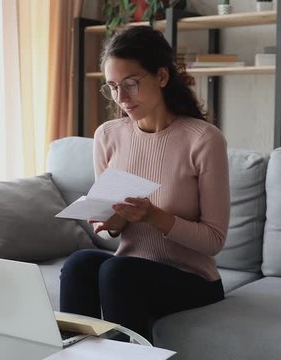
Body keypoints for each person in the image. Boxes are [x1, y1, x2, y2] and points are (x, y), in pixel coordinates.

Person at [59, 25, 231, 343]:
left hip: (192, 279)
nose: (121, 98)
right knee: (80, 263)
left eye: (131, 84)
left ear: (162, 77)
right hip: (131, 269)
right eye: (112, 87)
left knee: (117, 272)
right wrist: (114, 221)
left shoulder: (203, 140)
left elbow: (214, 240)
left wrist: (154, 215)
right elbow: (115, 230)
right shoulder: (107, 136)